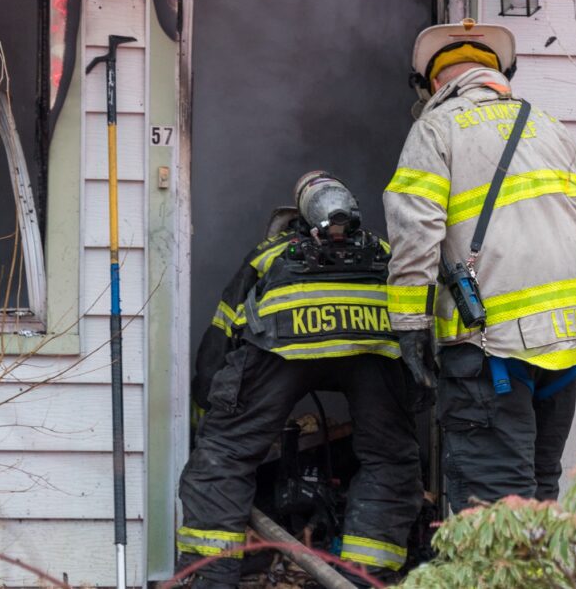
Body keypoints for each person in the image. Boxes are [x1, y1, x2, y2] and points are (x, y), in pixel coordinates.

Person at [383, 19, 576, 513]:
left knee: (494, 503)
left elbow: (414, 236)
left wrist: (410, 328)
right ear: (497, 75)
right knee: (539, 489)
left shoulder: (434, 130)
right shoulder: (550, 127)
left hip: (492, 350)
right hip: (569, 343)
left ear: (434, 84)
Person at [178, 171, 423, 588]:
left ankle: (211, 578)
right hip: (372, 351)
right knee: (390, 459)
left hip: (280, 351)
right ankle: (363, 578)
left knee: (225, 457)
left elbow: (223, 329)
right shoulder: (382, 249)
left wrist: (209, 403)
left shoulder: (271, 252)